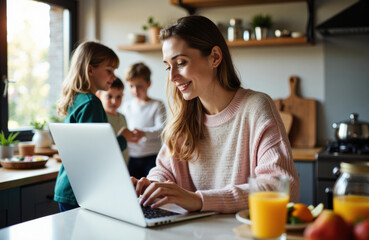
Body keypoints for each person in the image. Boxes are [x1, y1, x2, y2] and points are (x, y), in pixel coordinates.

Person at [132, 15, 300, 214]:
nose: (172, 77)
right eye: (168, 66)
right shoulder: (183, 117)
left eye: (181, 63)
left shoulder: (256, 107)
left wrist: (198, 200)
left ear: (215, 57)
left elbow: (281, 187)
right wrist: (153, 185)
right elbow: (166, 170)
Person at [54, 41, 139, 212]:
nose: (113, 76)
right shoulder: (92, 103)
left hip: (67, 186)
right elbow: (99, 155)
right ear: (90, 70)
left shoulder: (76, 99)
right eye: (109, 70)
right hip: (82, 192)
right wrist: (123, 138)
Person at [122, 62, 166, 179]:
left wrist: (143, 133)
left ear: (148, 84)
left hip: (152, 156)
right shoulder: (126, 106)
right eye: (131, 86)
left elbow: (162, 130)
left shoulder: (157, 105)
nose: (135, 90)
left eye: (139, 86)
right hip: (131, 156)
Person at [97, 77, 131, 164]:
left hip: (124, 164)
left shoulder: (122, 117)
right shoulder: (100, 117)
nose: (114, 101)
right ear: (99, 96)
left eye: (118, 97)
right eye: (109, 96)